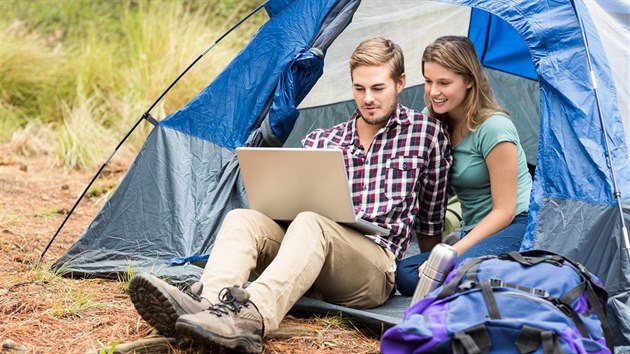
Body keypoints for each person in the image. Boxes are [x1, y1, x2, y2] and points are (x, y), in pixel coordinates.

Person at [128, 37, 451, 353]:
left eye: (377, 88)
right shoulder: (322, 140)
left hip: (371, 271)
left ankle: (252, 320)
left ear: (400, 83)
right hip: (306, 259)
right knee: (244, 218)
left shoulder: (427, 134)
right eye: (359, 88)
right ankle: (208, 306)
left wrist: (429, 281)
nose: (367, 98)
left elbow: (430, 220)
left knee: (313, 221)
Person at [395, 36, 532, 296]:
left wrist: (451, 252)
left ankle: (495, 276)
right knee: (405, 274)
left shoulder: (494, 128)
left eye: (444, 83)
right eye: (428, 81)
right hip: (472, 229)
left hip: (516, 224)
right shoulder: (432, 122)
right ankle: (487, 274)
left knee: (454, 272)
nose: (433, 91)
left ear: (469, 81)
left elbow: (505, 210)